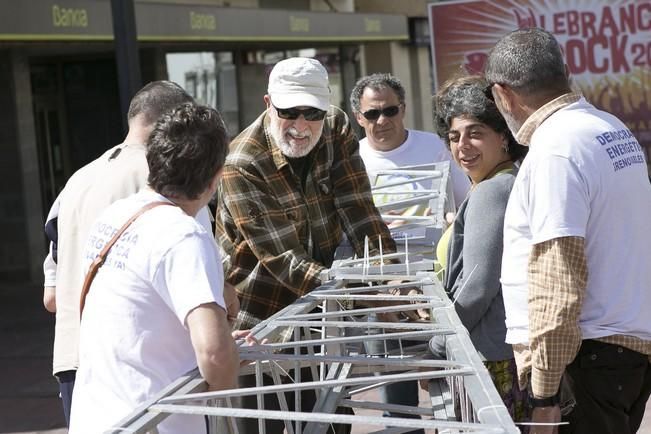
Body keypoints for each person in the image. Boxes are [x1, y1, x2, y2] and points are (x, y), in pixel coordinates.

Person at [215, 57, 397, 433]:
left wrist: (387, 274)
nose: (301, 126)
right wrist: (362, 295)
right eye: (289, 112)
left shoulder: (335, 127)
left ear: (326, 108)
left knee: (331, 420)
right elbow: (283, 261)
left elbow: (358, 206)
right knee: (266, 423)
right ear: (268, 104)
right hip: (260, 322)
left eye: (311, 113)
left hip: (319, 315)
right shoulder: (242, 163)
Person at [485, 27, 651, 434]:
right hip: (618, 351)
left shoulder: (556, 148)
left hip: (588, 359)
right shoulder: (606, 127)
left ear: (502, 94)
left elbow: (558, 277)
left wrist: (545, 398)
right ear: (566, 73)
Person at [41, 81, 234, 426]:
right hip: (152, 415)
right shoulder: (182, 229)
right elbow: (214, 350)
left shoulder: (86, 190)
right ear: (214, 178)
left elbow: (52, 295)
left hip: (90, 391)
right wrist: (226, 360)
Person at [429, 74, 529, 425]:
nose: (462, 146)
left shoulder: (491, 191)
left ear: (503, 137)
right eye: (454, 137)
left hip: (488, 357)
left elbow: (475, 287)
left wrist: (439, 344)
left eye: (475, 133)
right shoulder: (505, 181)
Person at [350, 73, 470, 217]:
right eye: (372, 114)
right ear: (359, 117)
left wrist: (448, 217)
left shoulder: (437, 147)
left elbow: (465, 203)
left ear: (403, 109)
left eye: (390, 111)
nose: (382, 120)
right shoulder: (351, 158)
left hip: (435, 240)